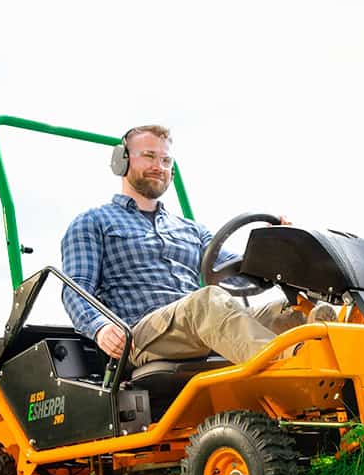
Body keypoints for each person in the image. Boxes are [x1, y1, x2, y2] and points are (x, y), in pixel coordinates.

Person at [60, 125, 328, 367]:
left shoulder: (190, 229)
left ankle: (338, 365)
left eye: (166, 160)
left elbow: (236, 269)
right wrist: (100, 328)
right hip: (140, 335)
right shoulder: (93, 221)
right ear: (122, 161)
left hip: (200, 323)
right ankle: (293, 365)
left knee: (293, 309)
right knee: (207, 300)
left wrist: (273, 251)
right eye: (149, 156)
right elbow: (77, 288)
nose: (159, 166)